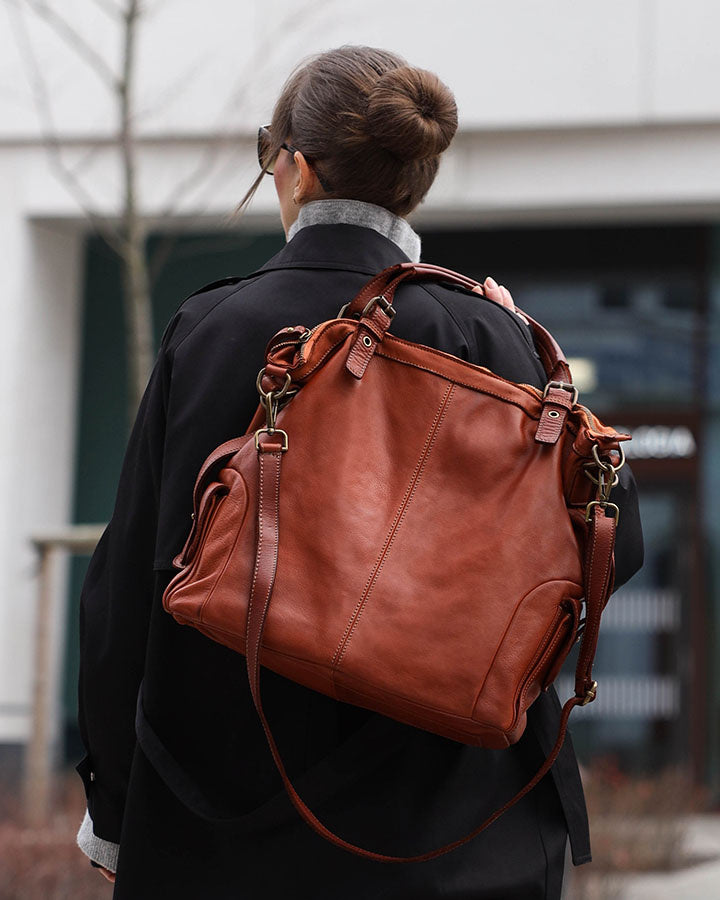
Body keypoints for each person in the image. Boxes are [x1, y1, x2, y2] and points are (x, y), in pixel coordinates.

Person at [75, 45, 643, 898]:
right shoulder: (503, 339)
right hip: (462, 837)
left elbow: (126, 596)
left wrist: (116, 806)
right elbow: (614, 547)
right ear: (411, 181)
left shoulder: (216, 328)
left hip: (221, 829)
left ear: (295, 166)